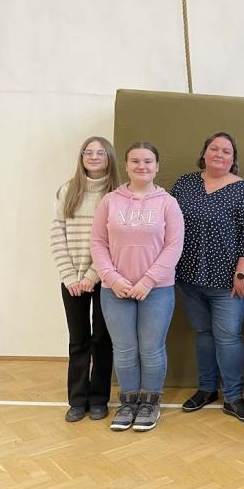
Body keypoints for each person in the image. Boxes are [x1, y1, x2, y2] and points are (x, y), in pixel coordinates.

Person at [171, 132, 244, 424]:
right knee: (203, 334)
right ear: (204, 152)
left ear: (233, 158)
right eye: (214, 148)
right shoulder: (184, 184)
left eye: (226, 151)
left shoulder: (243, 190)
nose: (219, 154)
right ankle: (207, 389)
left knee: (228, 337)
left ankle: (233, 398)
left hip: (228, 282)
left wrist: (242, 273)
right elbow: (168, 223)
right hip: (188, 277)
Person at [91, 142, 184, 432]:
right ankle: (128, 402)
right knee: (124, 350)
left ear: (157, 167)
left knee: (151, 349)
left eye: (147, 161)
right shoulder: (109, 201)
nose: (141, 166)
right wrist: (112, 278)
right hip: (115, 290)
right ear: (126, 165)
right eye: (135, 161)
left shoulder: (168, 203)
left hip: (157, 290)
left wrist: (147, 281)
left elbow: (174, 246)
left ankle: (150, 403)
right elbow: (98, 242)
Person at [52, 136, 121, 422]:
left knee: (102, 339)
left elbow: (112, 240)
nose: (93, 157)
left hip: (105, 278)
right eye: (88, 152)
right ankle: (78, 400)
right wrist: (70, 275)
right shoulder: (67, 190)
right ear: (81, 157)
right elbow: (57, 234)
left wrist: (93, 275)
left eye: (100, 153)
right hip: (72, 280)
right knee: (78, 340)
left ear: (109, 158)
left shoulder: (117, 194)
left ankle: (99, 398)